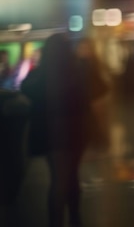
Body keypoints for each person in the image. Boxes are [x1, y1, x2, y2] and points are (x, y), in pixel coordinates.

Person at [20, 33, 92, 227]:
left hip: (51, 134)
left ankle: (56, 221)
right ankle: (76, 218)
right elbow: (99, 89)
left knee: (57, 179)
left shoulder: (40, 75)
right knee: (73, 176)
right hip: (76, 133)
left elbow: (25, 88)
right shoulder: (78, 72)